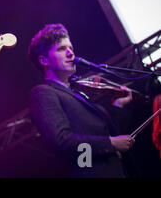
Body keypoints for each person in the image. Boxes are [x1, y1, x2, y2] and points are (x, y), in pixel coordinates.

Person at [27, 23, 134, 177]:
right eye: (61, 49)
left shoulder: (77, 93)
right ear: (44, 60)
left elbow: (111, 134)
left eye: (70, 48)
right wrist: (110, 143)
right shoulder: (43, 93)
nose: (70, 53)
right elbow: (62, 141)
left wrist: (118, 106)